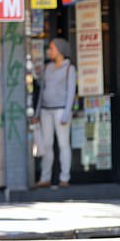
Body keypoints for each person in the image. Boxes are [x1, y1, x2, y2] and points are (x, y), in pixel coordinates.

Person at [34, 38, 76, 188]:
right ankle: (45, 178)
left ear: (60, 50)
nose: (49, 51)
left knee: (64, 144)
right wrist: (37, 112)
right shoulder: (47, 68)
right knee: (46, 145)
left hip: (60, 110)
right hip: (46, 110)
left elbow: (71, 92)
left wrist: (66, 113)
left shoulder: (69, 68)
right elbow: (42, 91)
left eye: (52, 48)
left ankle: (65, 178)